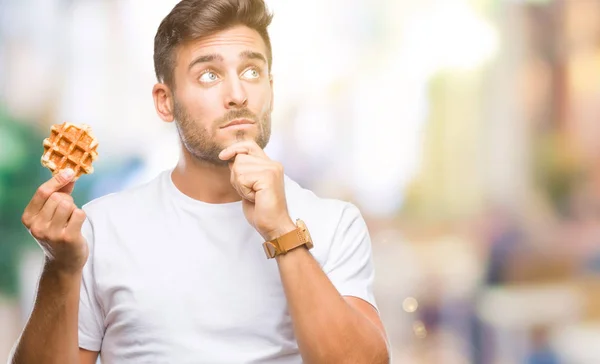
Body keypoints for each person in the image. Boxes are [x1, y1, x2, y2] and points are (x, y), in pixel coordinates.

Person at [9, 0, 389, 363]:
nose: (238, 94)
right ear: (165, 101)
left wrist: (282, 231)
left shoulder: (335, 223)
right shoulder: (100, 230)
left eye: (252, 72)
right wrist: (61, 268)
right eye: (209, 75)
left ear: (270, 90)